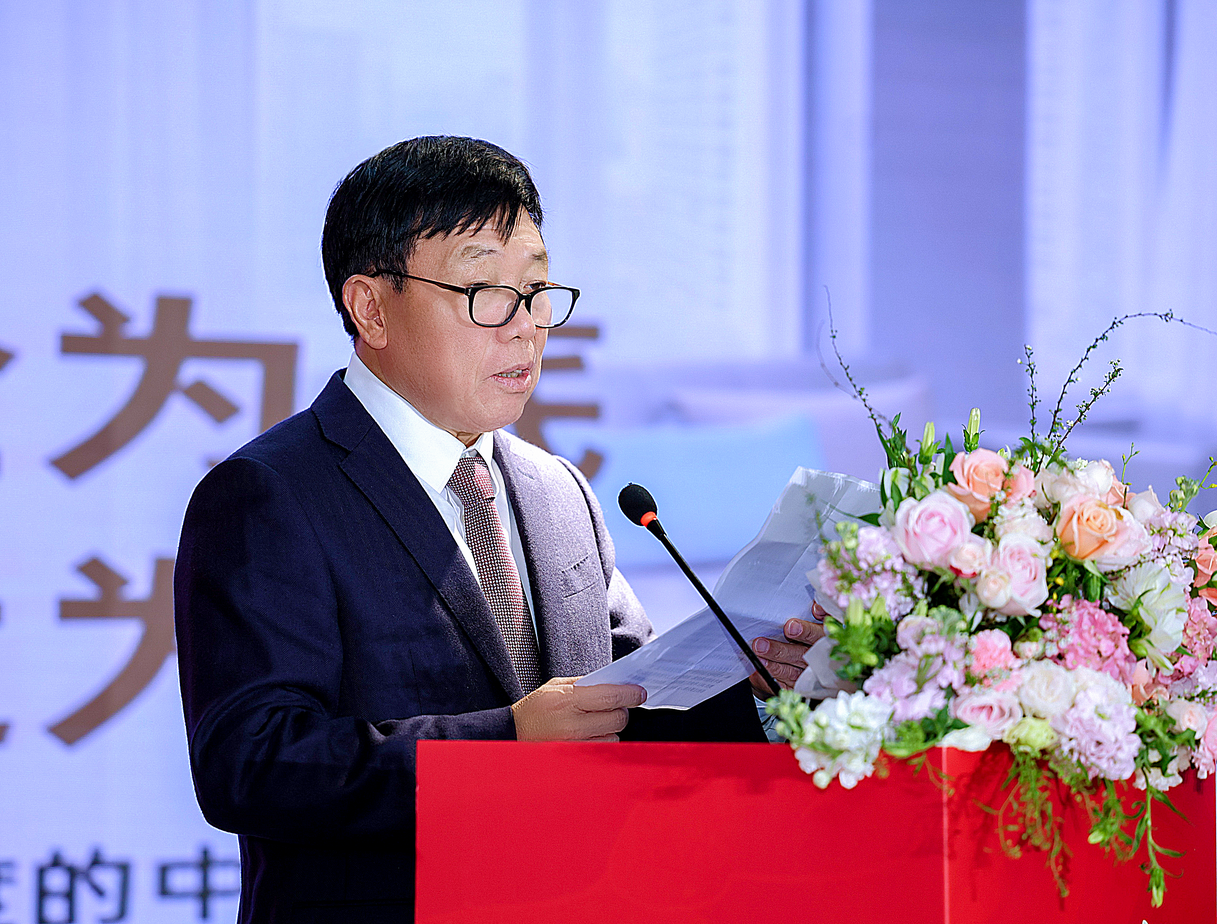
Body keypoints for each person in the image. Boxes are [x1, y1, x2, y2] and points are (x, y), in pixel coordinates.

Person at [173, 136, 824, 924]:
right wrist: (506, 742)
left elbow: (625, 706)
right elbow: (252, 763)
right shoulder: (270, 494)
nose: (525, 326)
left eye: (537, 289)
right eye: (486, 291)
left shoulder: (560, 494)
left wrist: (754, 690)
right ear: (371, 307)